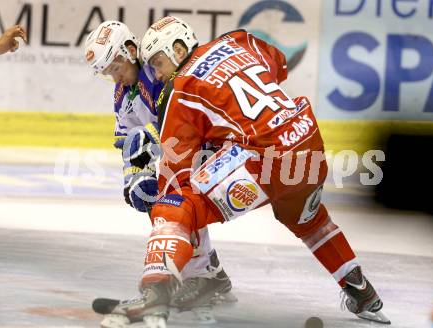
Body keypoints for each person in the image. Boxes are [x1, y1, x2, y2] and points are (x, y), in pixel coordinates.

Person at [97, 16, 390, 327]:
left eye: (157, 62)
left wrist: (157, 195)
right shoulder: (237, 41)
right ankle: (362, 292)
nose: (155, 72)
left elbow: (174, 174)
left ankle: (156, 292)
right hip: (306, 140)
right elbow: (278, 63)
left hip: (263, 158)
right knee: (309, 219)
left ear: (179, 50)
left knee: (174, 206)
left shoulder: (179, 90)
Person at [83, 20, 234, 321]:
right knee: (165, 205)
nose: (115, 77)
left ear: (130, 50)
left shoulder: (159, 68)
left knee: (179, 198)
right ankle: (210, 272)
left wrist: (152, 137)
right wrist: (133, 180)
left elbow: (185, 110)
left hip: (204, 143)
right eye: (107, 73)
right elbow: (127, 144)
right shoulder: (122, 97)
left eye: (116, 67)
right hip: (177, 153)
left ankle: (205, 274)